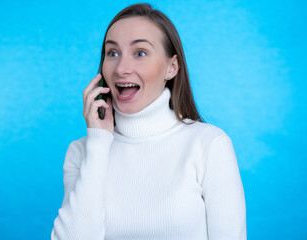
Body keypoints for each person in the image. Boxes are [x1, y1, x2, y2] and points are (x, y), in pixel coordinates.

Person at [51, 3, 246, 240]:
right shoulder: (82, 151)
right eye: (112, 53)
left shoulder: (209, 144)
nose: (122, 68)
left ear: (171, 67)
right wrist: (99, 141)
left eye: (140, 53)